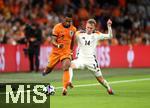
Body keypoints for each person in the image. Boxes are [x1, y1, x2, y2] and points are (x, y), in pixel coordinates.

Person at [69, 19, 114, 95]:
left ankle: (108, 88)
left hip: (92, 61)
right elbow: (71, 39)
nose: (89, 29)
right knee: (69, 65)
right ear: (86, 26)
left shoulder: (97, 34)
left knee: (100, 79)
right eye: (88, 27)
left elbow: (110, 36)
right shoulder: (79, 33)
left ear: (94, 28)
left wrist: (109, 26)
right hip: (81, 60)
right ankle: (69, 81)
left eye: (91, 28)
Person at [42, 13, 77, 95]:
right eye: (67, 21)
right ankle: (45, 71)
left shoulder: (73, 29)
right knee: (48, 69)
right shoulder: (57, 27)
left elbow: (72, 41)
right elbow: (53, 40)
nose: (68, 23)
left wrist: (71, 52)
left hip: (66, 52)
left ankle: (64, 89)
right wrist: (58, 45)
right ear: (63, 19)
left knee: (66, 67)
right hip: (56, 52)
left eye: (70, 21)